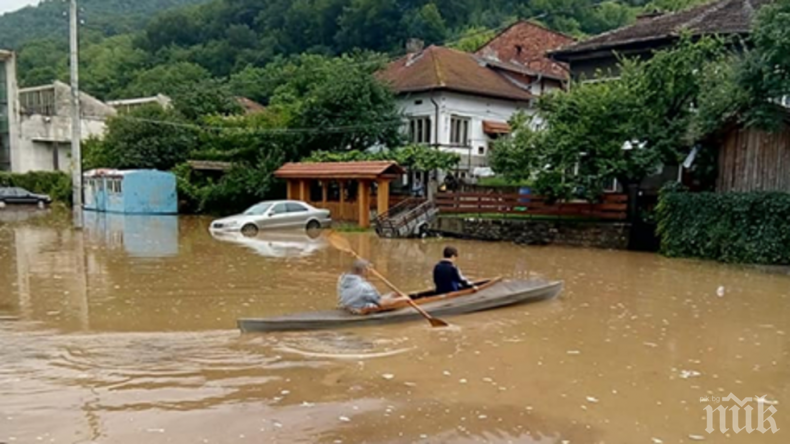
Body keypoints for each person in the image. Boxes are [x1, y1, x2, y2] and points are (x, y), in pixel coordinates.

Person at [337, 260, 406, 314]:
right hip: (359, 310)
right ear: (365, 270)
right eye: (370, 270)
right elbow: (382, 303)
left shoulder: (342, 280)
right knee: (381, 303)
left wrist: (391, 295)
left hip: (347, 305)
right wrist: (403, 299)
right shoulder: (366, 287)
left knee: (392, 295)